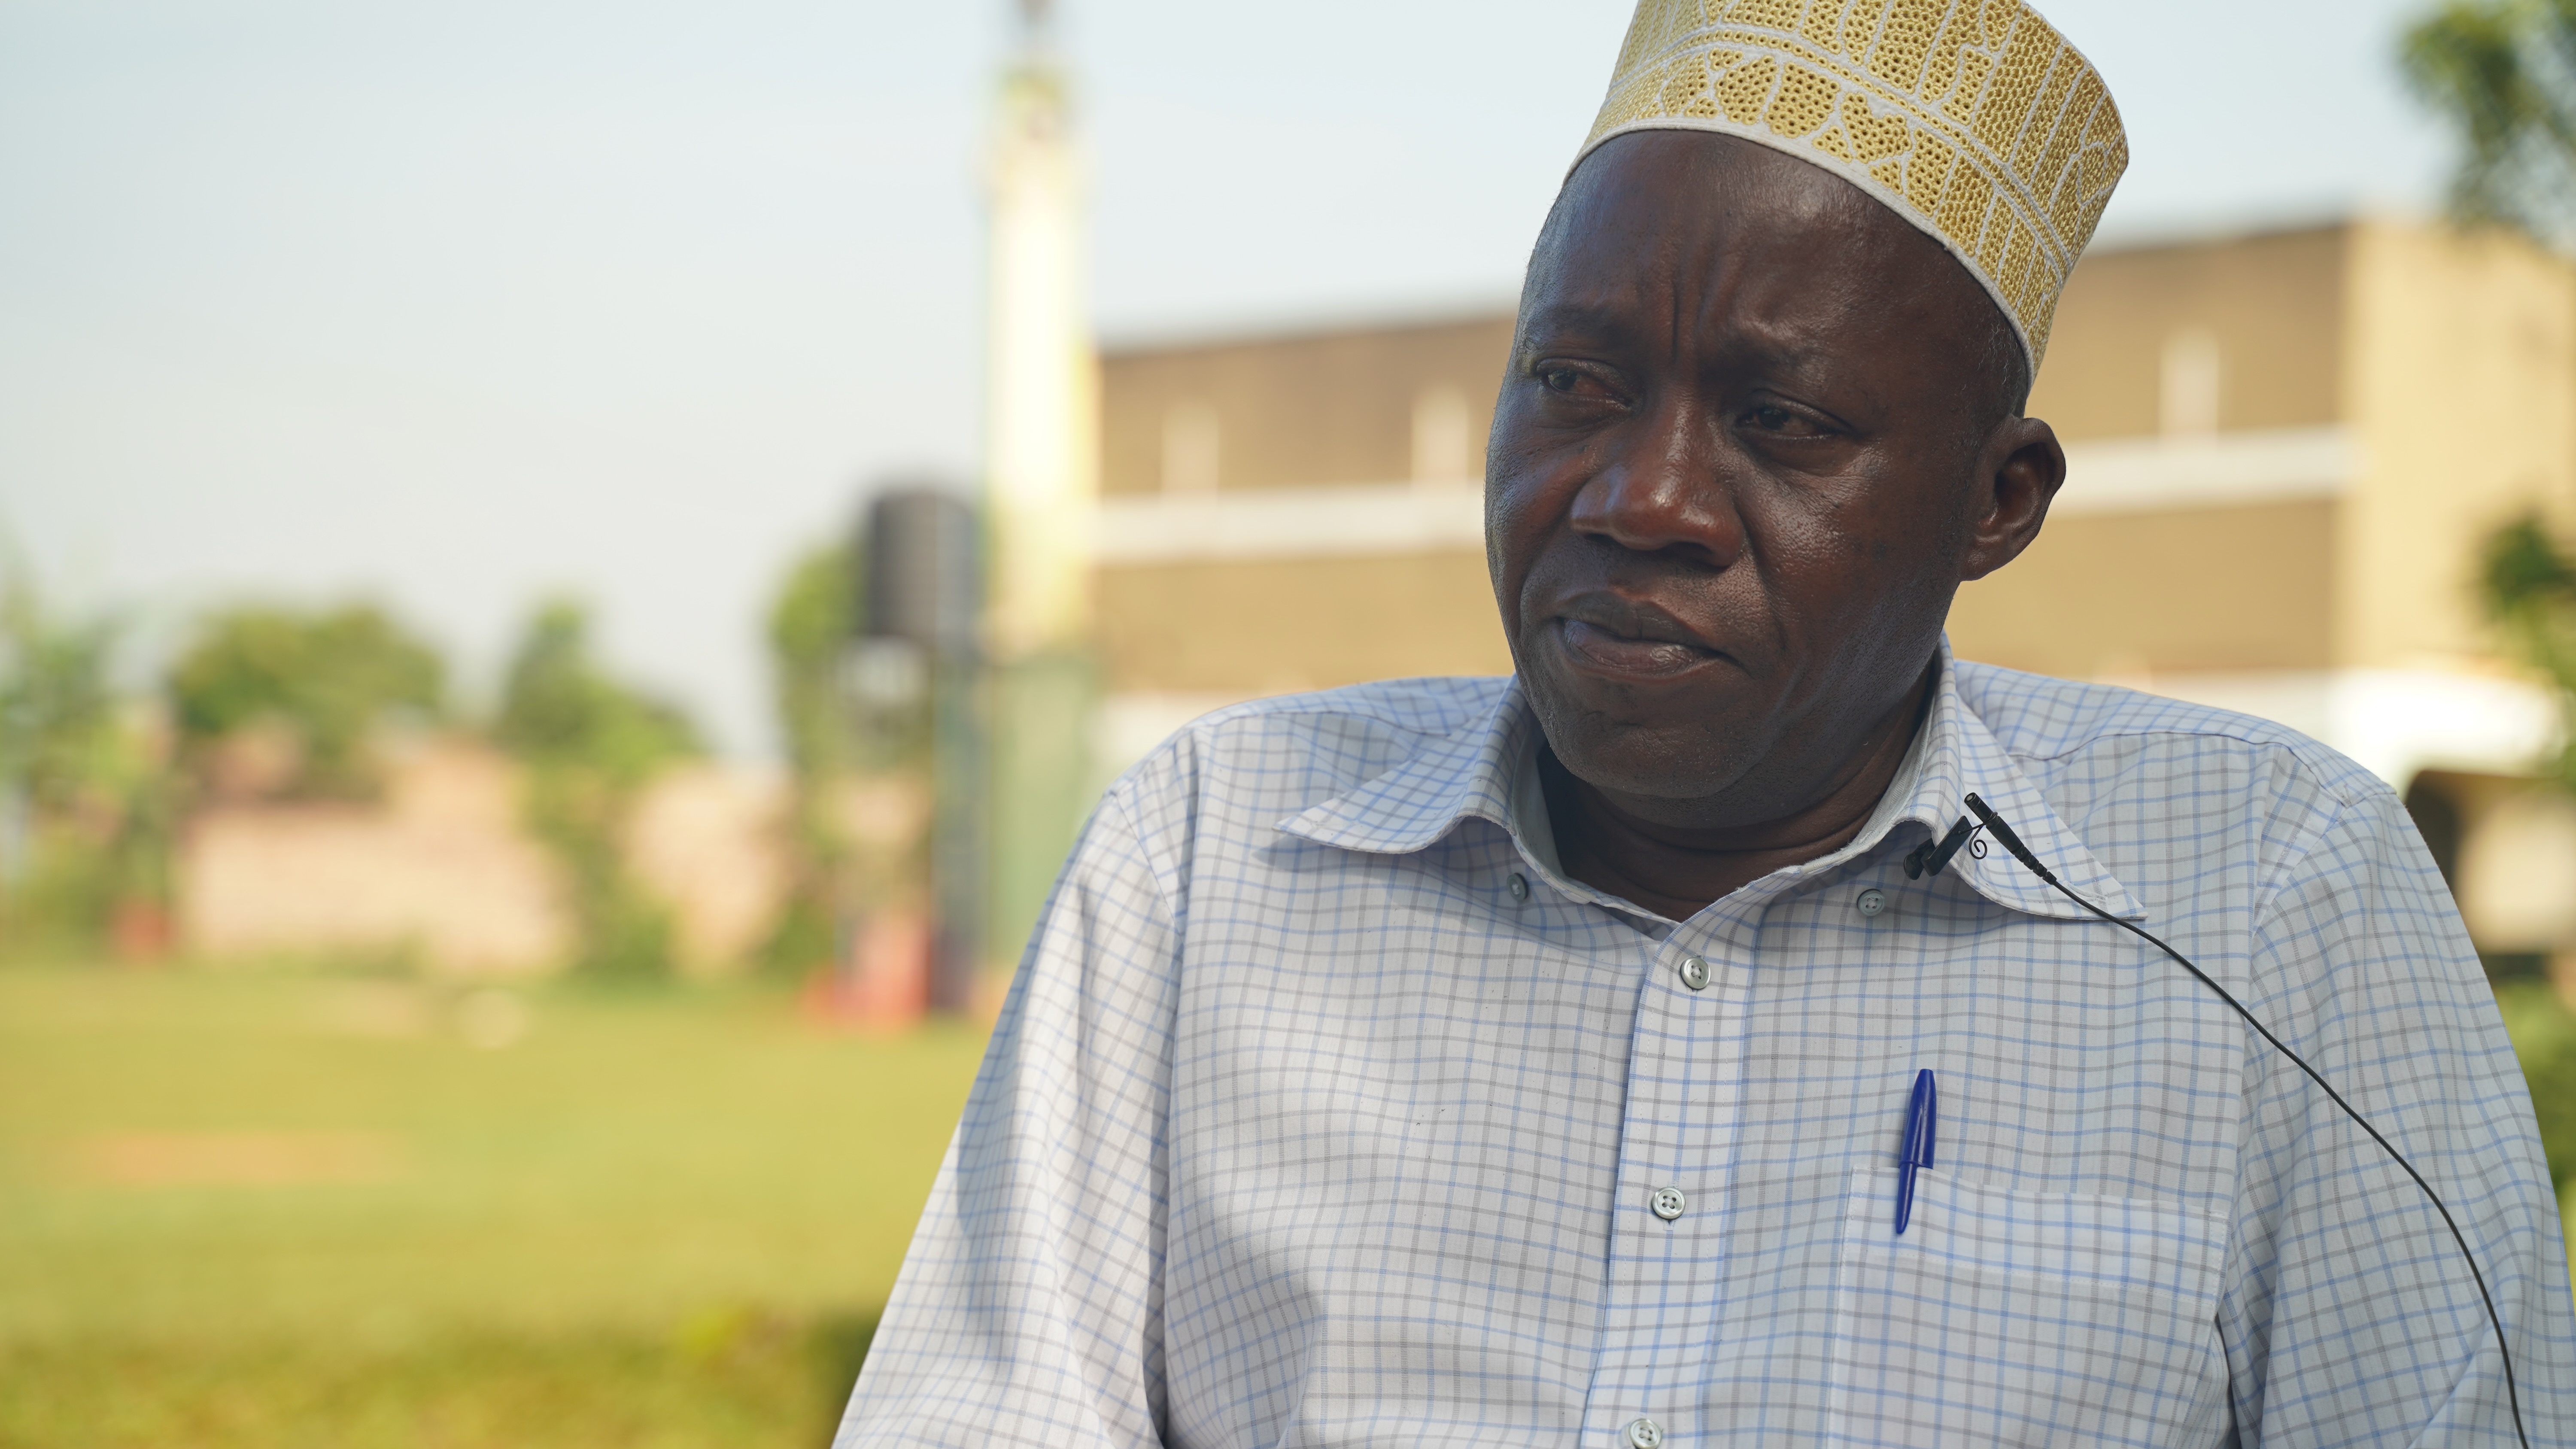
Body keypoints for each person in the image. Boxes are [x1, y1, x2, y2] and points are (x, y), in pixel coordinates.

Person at [839, 2, 2576, 1444]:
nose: (1640, 494)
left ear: (1996, 501)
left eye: (1782, 418)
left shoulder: (2272, 896)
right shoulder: (1214, 852)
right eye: (1575, 383)